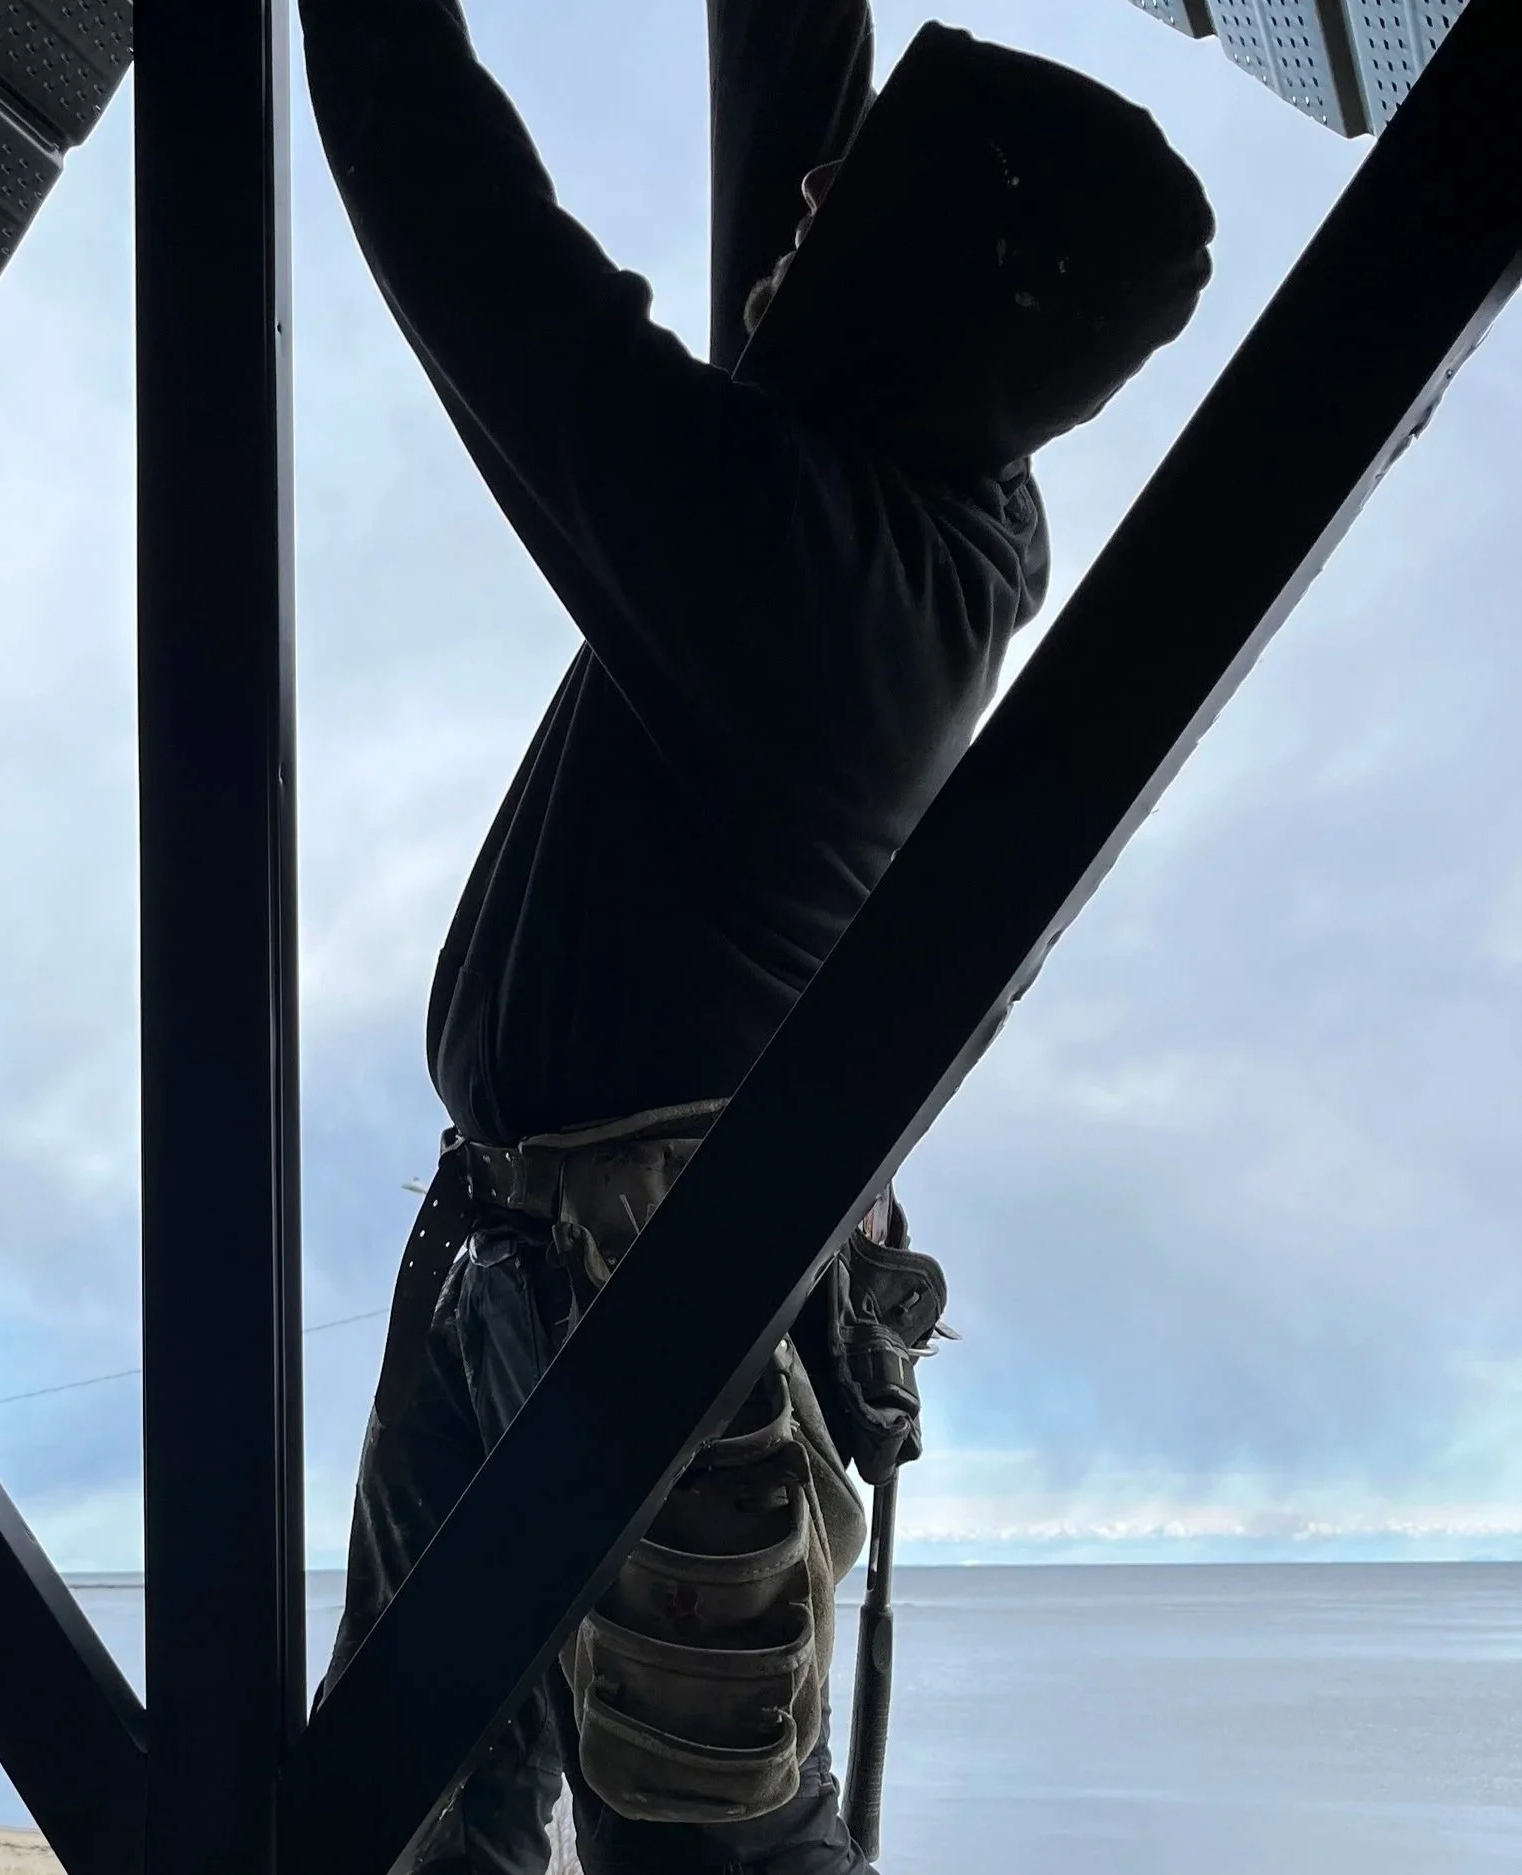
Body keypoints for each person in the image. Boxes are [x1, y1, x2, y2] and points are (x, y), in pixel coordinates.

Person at [297, 2, 1215, 1871]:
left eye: (857, 201)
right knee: (409, 1830)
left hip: (647, 1330)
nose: (804, 200)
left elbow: (474, 247)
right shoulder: (876, 453)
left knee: (670, 1852)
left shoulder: (824, 591)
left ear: (952, 289)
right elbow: (800, 96)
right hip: (525, 1252)